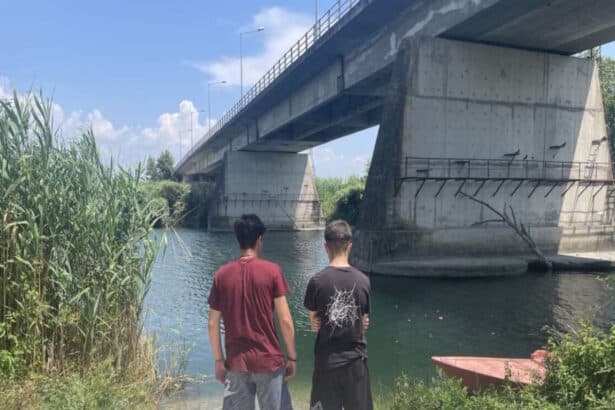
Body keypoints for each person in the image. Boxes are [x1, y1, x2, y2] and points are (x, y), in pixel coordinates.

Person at [208, 214, 296, 410]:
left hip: (236, 362)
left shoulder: (221, 275)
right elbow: (285, 321)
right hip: (269, 361)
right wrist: (291, 357)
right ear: (259, 240)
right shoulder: (272, 271)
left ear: (237, 240)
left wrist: (219, 360)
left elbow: (212, 324)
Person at [303, 220, 373, 410]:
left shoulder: (316, 281)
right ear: (350, 246)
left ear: (326, 248)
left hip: (327, 362)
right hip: (356, 363)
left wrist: (316, 322)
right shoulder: (364, 281)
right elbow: (364, 321)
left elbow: (314, 320)